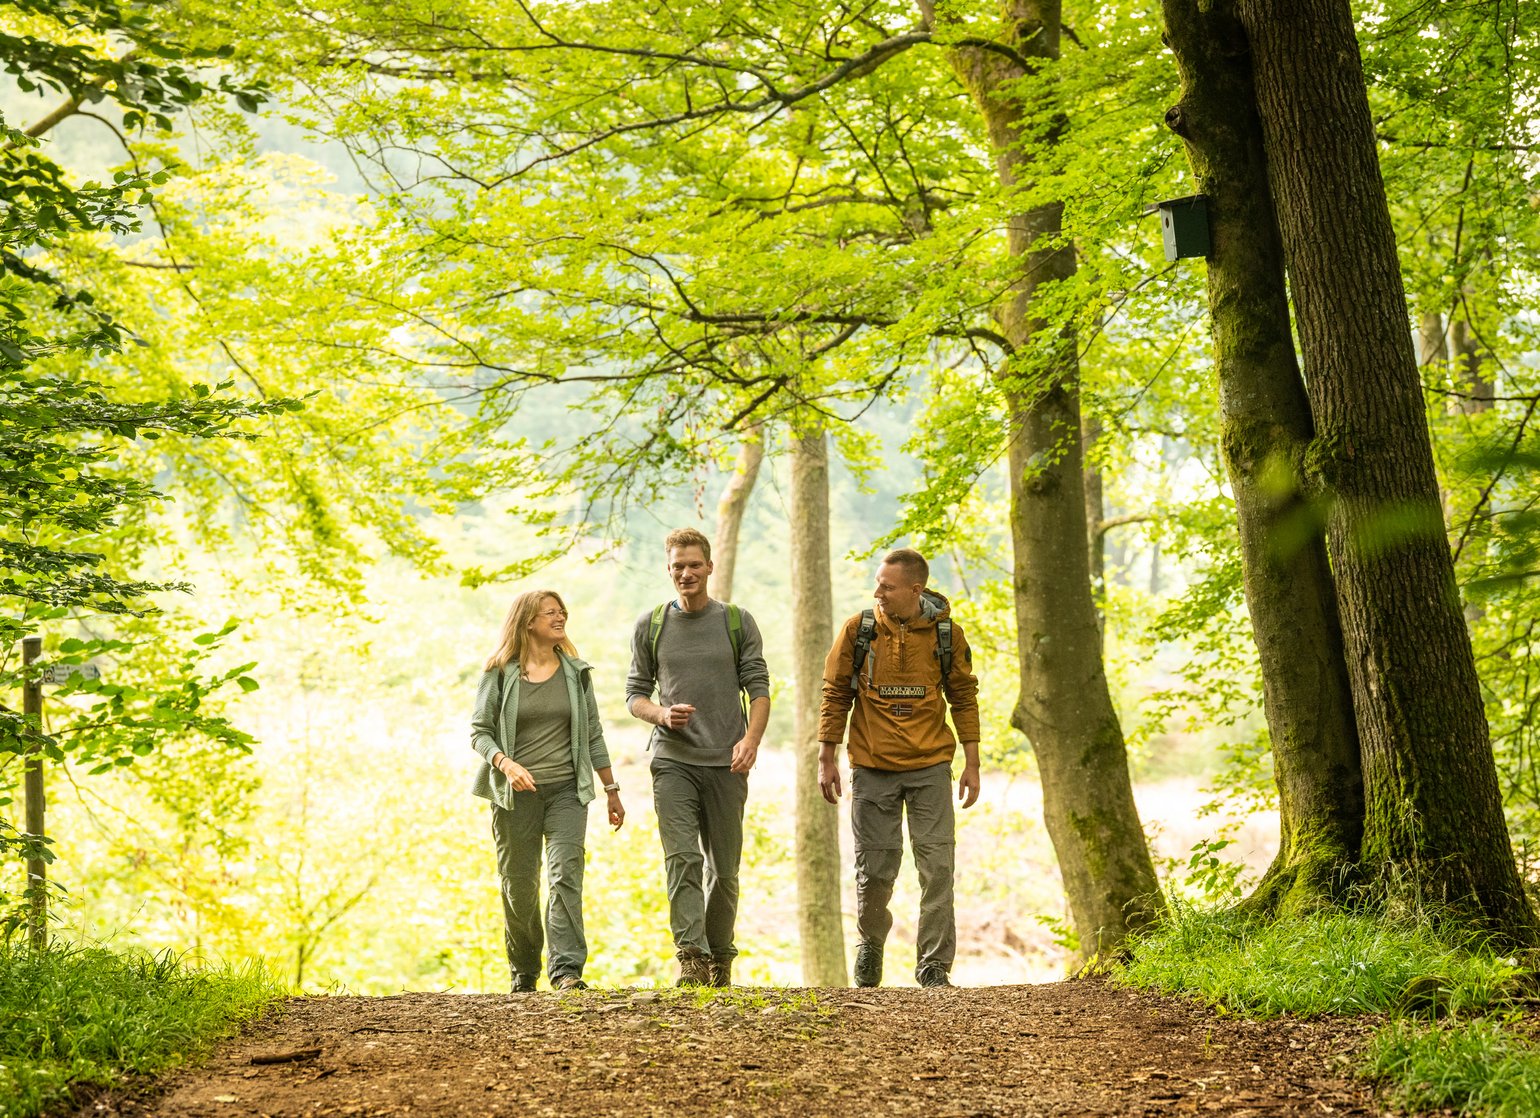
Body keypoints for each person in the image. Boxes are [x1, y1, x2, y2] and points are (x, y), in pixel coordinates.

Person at [817, 548, 980, 989]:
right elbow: (835, 693)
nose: (877, 593)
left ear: (915, 589)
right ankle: (869, 947)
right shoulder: (859, 630)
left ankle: (933, 966)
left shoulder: (947, 635)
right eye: (877, 584)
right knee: (875, 869)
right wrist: (827, 756)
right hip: (871, 766)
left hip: (931, 767)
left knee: (937, 867)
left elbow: (964, 696)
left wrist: (973, 761)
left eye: (886, 587)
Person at [625, 528, 771, 987]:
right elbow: (634, 695)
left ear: (709, 567)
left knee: (724, 869)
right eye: (677, 566)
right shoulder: (651, 625)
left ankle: (720, 957)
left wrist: (751, 740)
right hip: (673, 761)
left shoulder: (736, 621)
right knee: (683, 858)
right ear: (668, 571)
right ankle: (691, 956)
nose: (685, 573)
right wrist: (662, 714)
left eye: (693, 565)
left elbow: (760, 689)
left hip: (727, 761)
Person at [470, 589, 625, 992]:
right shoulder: (500, 672)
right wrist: (506, 763)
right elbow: (479, 733)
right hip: (514, 796)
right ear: (528, 623)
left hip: (566, 793)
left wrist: (611, 788)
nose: (560, 618)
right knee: (519, 885)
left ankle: (566, 971)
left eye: (563, 612)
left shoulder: (576, 672)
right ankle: (524, 971)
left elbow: (592, 733)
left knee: (565, 875)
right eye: (550, 613)